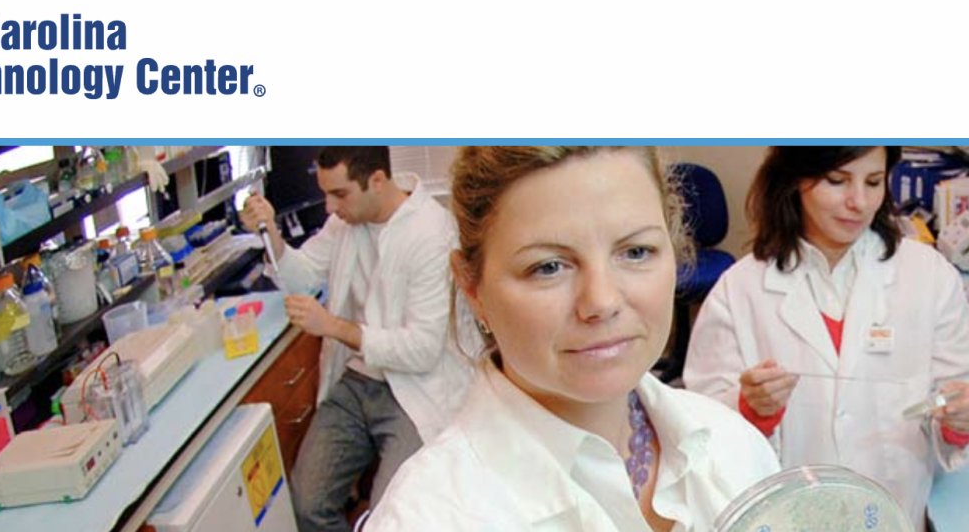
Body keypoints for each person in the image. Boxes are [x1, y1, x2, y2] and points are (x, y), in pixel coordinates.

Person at [366, 147, 779, 532]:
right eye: (548, 267)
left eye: (636, 252)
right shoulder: (426, 516)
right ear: (473, 289)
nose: (601, 301)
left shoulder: (736, 448)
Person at [683, 146, 969, 531]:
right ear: (796, 178)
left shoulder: (929, 277)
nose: (859, 202)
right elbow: (703, 431)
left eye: (873, 182)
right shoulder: (741, 289)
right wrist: (752, 409)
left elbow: (955, 396)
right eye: (837, 181)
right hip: (790, 517)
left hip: (896, 510)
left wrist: (958, 421)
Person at [239, 146, 473, 532]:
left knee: (393, 518)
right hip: (355, 382)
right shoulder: (345, 222)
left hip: (412, 389)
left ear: (378, 181)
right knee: (307, 504)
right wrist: (272, 236)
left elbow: (421, 350)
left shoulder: (432, 235)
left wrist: (332, 326)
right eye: (326, 193)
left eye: (340, 194)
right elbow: (302, 275)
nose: (330, 207)